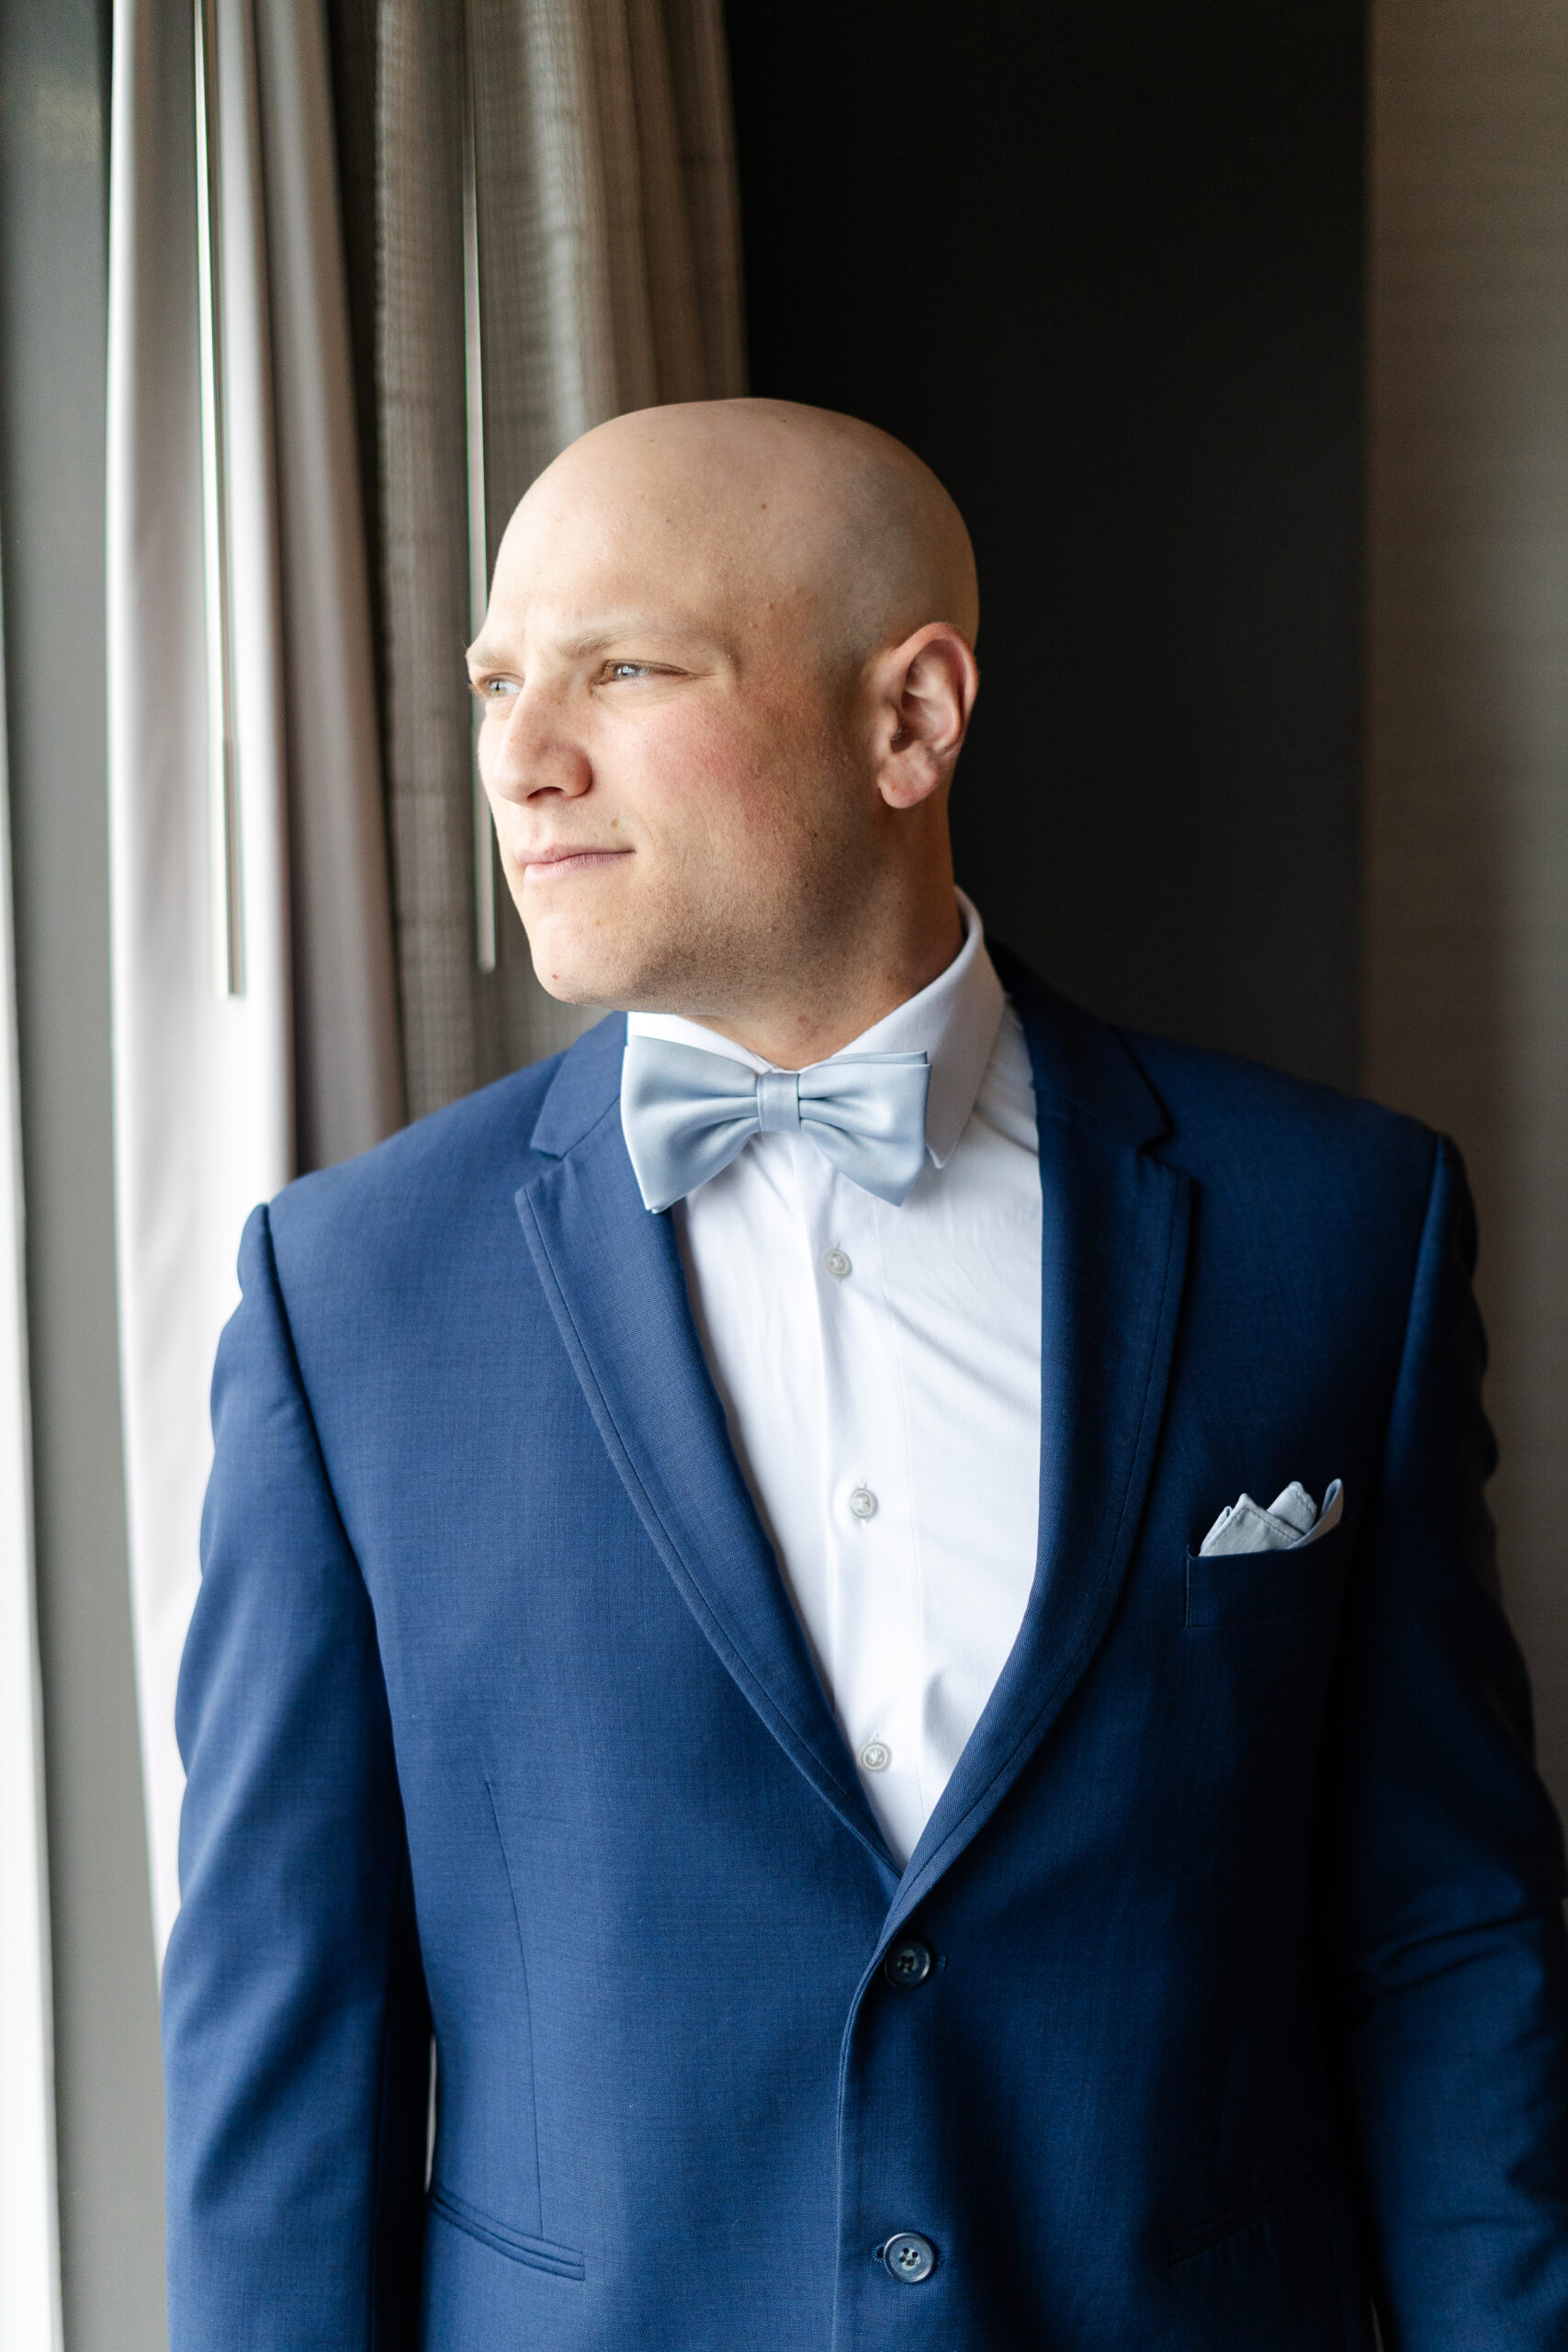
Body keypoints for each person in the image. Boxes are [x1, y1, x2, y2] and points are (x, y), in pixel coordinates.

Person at [163, 399, 1568, 2350]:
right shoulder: (349, 1291)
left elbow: (1439, 1937)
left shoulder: (1333, 1228)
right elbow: (279, 2030)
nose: (520, 761)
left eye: (624, 669)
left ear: (909, 720)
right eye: (496, 683)